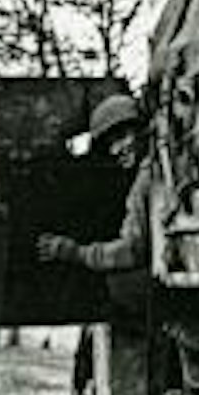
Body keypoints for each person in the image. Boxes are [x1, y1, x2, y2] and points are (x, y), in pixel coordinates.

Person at [36, 93, 151, 274]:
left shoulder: (148, 178)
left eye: (121, 136)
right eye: (110, 144)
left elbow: (132, 250)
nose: (115, 150)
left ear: (142, 130)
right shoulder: (148, 173)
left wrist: (77, 253)